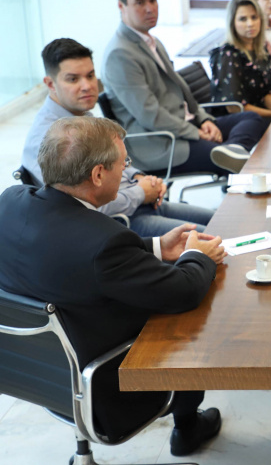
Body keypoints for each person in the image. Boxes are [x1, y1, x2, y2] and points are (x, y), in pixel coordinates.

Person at [0, 116, 228, 456]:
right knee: (183, 317)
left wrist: (157, 247)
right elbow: (184, 291)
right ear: (97, 175)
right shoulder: (103, 242)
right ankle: (187, 425)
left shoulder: (10, 202)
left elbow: (75, 257)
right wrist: (198, 256)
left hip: (33, 372)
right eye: (124, 163)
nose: (126, 170)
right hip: (107, 384)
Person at [22, 38, 214, 238]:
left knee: (219, 220)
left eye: (90, 75)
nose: (87, 86)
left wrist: (138, 177)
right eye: (73, 79)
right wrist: (140, 193)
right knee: (214, 238)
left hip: (138, 205)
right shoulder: (48, 139)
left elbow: (113, 159)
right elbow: (85, 207)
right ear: (50, 84)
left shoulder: (80, 116)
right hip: (118, 223)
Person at [102, 0, 266, 175]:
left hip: (184, 126)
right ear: (121, 6)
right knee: (239, 163)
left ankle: (229, 154)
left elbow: (181, 92)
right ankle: (228, 158)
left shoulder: (152, 41)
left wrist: (204, 120)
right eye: (140, 2)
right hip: (162, 143)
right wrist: (196, 133)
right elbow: (150, 115)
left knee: (251, 119)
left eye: (153, 0)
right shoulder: (120, 54)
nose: (150, 8)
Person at [209, 0, 271, 121]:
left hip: (259, 115)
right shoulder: (227, 54)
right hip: (237, 121)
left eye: (254, 17)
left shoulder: (260, 49)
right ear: (232, 23)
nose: (250, 24)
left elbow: (264, 94)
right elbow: (235, 107)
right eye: (243, 19)